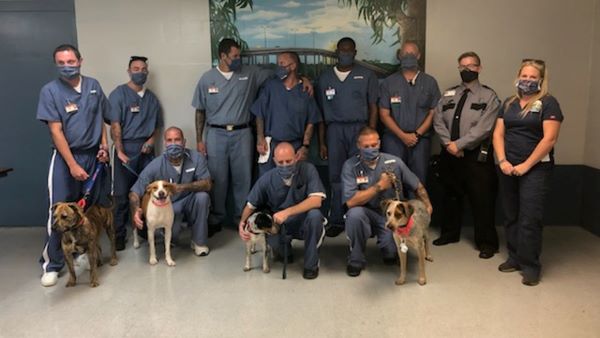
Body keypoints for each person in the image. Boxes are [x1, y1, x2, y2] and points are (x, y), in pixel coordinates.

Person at [36, 44, 114, 287]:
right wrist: (71, 164)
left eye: (71, 61)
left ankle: (81, 254)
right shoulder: (50, 91)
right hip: (66, 157)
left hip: (94, 155)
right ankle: (52, 265)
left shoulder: (93, 86)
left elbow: (100, 118)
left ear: (80, 61)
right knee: (58, 213)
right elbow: (55, 131)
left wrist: (103, 145)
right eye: (61, 62)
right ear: (56, 64)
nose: (67, 66)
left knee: (86, 212)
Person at [493, 59, 563, 286]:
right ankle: (515, 258)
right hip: (507, 167)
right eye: (525, 76)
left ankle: (531, 266)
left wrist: (526, 165)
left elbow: (549, 139)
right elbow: (498, 134)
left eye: (533, 77)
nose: (528, 80)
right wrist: (502, 160)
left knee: (529, 218)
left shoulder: (548, 103)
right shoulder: (509, 103)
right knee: (511, 215)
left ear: (541, 80)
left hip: (536, 169)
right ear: (518, 76)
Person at [432, 51, 500, 258]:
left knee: (482, 200)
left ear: (479, 68)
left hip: (475, 156)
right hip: (449, 154)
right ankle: (450, 234)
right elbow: (437, 120)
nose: (466, 69)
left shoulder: (489, 96)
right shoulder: (449, 94)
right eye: (462, 66)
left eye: (470, 66)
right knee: (450, 196)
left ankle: (487, 242)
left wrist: (460, 144)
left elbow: (485, 128)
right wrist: (448, 144)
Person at [341, 127, 432, 277]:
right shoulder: (350, 166)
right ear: (358, 145)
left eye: (374, 145)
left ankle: (388, 249)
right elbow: (350, 202)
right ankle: (355, 259)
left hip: (392, 216)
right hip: (367, 213)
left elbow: (417, 186)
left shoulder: (394, 162)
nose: (371, 149)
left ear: (379, 143)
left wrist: (428, 205)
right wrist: (379, 186)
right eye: (366, 146)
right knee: (354, 214)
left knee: (390, 254)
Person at [316, 37, 379, 238]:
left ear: (355, 52)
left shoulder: (366, 75)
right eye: (342, 50)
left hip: (359, 130)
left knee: (362, 175)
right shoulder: (325, 78)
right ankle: (336, 219)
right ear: (337, 52)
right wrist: (323, 142)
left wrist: (371, 133)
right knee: (335, 177)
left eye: (349, 50)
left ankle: (361, 218)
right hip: (334, 131)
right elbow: (319, 114)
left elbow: (373, 107)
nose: (345, 53)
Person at [238, 142, 326, 280]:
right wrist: (242, 224)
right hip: (278, 224)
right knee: (278, 249)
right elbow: (250, 204)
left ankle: (311, 264)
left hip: (304, 220)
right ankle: (285, 250)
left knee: (315, 216)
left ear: (296, 157)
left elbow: (316, 200)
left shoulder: (308, 170)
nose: (285, 165)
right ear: (274, 161)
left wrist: (288, 212)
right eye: (280, 162)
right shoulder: (267, 178)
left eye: (289, 161)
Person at [129, 127, 212, 256]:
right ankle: (168, 235)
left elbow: (207, 184)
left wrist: (181, 187)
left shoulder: (196, 158)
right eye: (169, 140)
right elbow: (135, 191)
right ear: (165, 144)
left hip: (189, 200)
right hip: (169, 207)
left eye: (177, 140)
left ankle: (199, 242)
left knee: (203, 197)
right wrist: (136, 209)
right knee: (173, 236)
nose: (173, 144)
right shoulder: (156, 165)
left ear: (184, 142)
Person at [109, 56, 163, 251]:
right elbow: (115, 125)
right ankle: (119, 236)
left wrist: (150, 141)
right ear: (129, 70)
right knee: (121, 195)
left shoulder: (152, 99)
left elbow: (157, 126)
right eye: (136, 68)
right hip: (125, 148)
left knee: (145, 193)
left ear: (147, 72)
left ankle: (142, 231)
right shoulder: (118, 94)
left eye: (143, 69)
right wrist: (120, 151)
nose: (140, 71)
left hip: (146, 150)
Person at [379, 41, 440, 187]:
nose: (408, 57)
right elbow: (384, 114)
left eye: (412, 54)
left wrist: (417, 134)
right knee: (392, 181)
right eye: (405, 54)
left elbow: (434, 112)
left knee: (418, 182)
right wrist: (402, 135)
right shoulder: (389, 83)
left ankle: (417, 210)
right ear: (399, 56)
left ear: (418, 56)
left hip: (420, 140)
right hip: (394, 140)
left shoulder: (430, 82)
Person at [251, 51, 321, 176]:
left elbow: (311, 121)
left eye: (282, 64)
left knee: (295, 183)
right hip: (271, 145)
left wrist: (305, 146)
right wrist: (260, 138)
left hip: (295, 146)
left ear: (293, 66)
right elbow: (259, 113)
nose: (278, 67)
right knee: (268, 182)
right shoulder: (271, 86)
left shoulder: (305, 90)